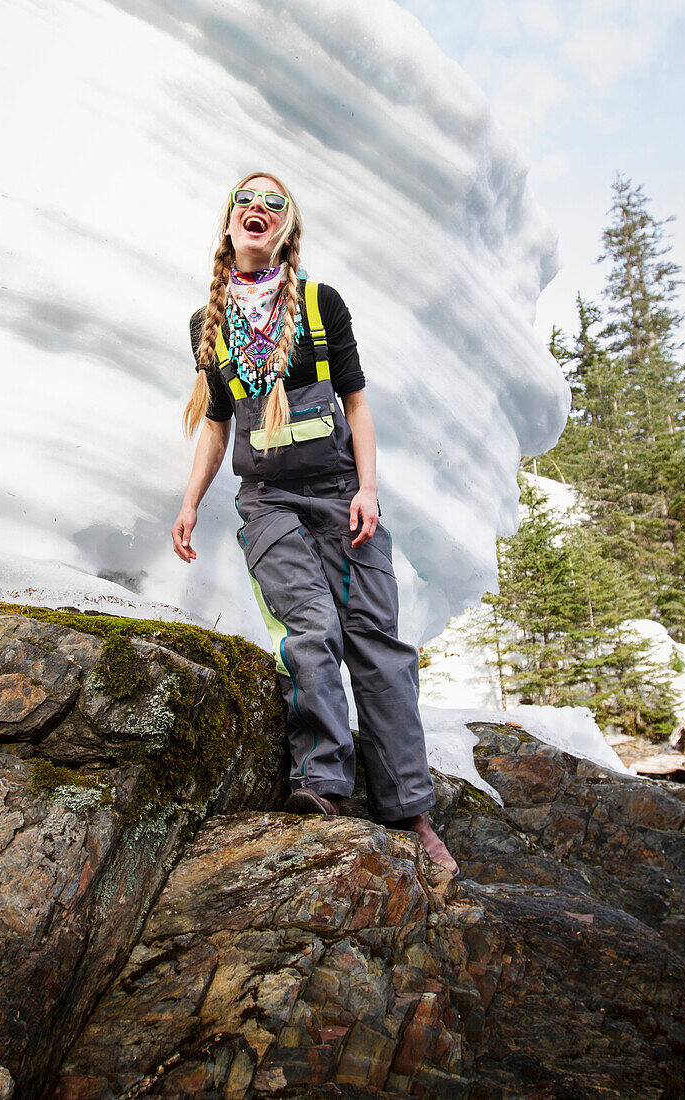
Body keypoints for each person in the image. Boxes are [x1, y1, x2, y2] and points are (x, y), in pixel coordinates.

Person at [171, 171, 459, 876]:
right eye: (247, 199)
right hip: (267, 502)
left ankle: (410, 813)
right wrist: (188, 503)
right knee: (309, 628)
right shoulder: (206, 323)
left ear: (288, 229)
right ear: (228, 220)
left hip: (339, 495)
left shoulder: (318, 304)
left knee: (378, 647)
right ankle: (322, 787)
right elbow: (215, 424)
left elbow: (354, 404)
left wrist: (367, 489)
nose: (258, 209)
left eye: (274, 203)